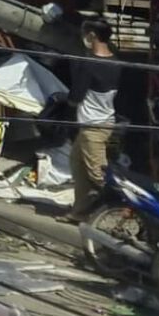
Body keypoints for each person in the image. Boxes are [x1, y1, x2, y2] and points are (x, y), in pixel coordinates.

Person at [65, 18, 122, 222]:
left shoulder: (90, 63)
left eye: (85, 34)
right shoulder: (115, 61)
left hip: (93, 127)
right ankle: (79, 212)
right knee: (77, 164)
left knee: (98, 175)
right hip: (102, 122)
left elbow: (75, 97)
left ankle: (118, 213)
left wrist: (68, 102)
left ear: (91, 36)